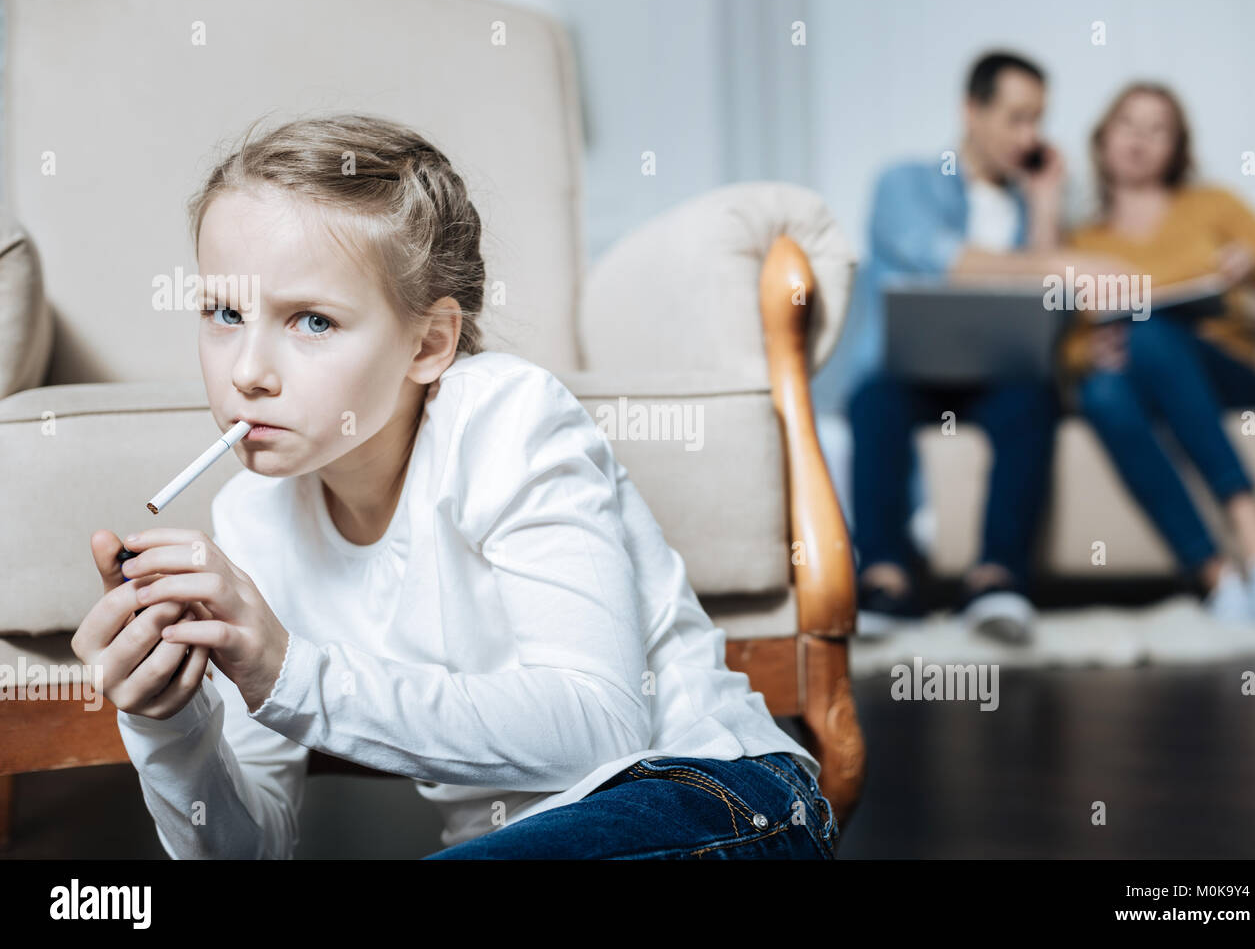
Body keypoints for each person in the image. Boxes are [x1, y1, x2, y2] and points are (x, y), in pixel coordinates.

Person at [71, 113, 840, 859]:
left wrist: (287, 672)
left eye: (311, 321)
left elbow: (602, 728)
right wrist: (171, 724)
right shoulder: (251, 517)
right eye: (224, 312)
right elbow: (250, 846)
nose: (246, 371)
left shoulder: (507, 417)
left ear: (430, 342)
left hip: (721, 798)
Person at [845, 51, 1120, 644]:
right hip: (910, 370)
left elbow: (1053, 302)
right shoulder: (905, 183)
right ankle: (886, 575)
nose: (1030, 136)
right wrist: (1058, 264)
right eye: (1017, 118)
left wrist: (1046, 204)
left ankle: (996, 578)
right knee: (874, 402)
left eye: (1038, 121)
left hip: (1003, 374)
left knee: (1033, 399)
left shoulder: (1027, 207)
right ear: (971, 110)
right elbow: (948, 264)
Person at [1062, 83, 1255, 644]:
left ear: (1177, 147)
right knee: (1101, 391)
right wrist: (1089, 351)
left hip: (1226, 371)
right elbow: (1064, 344)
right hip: (1137, 378)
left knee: (1148, 331)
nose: (1140, 139)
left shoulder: (1214, 205)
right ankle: (1219, 579)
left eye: (1157, 128)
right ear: (1103, 139)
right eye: (1128, 124)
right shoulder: (1082, 240)